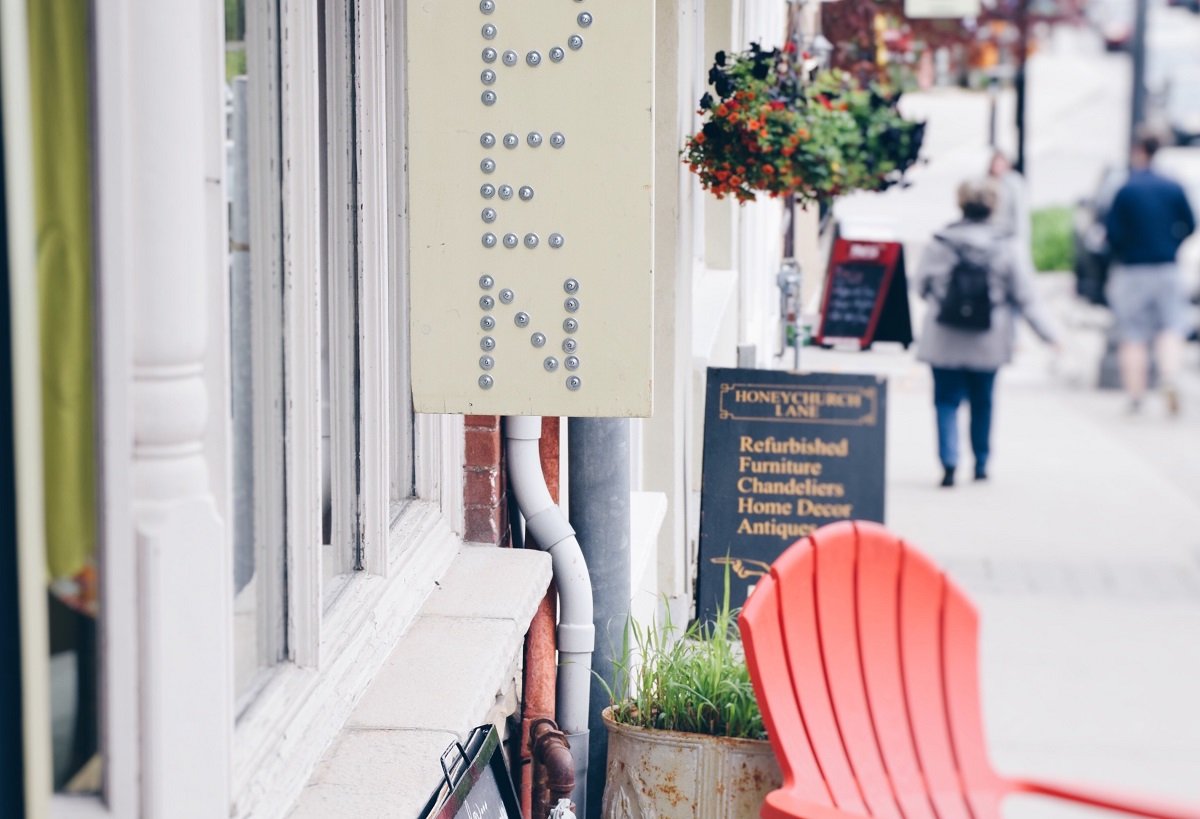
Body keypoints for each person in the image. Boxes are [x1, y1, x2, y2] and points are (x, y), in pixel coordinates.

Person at [915, 178, 1059, 488]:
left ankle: (949, 463)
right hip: (989, 339)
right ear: (994, 205)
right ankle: (980, 463)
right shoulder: (1007, 246)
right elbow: (1025, 296)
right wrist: (1051, 336)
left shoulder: (940, 242)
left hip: (944, 337)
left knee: (945, 400)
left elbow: (920, 287)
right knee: (983, 401)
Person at [1104, 132, 1196, 416]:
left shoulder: (1126, 189)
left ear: (1137, 151)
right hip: (1167, 266)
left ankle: (1136, 396)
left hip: (1133, 268)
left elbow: (1111, 233)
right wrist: (1171, 243)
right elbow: (1191, 224)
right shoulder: (1173, 186)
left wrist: (1126, 249)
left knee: (1133, 335)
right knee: (1171, 327)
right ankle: (1169, 377)